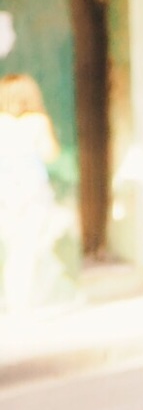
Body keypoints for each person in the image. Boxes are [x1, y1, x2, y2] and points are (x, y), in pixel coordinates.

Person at [0, 73, 68, 313]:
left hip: (4, 194)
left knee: (9, 249)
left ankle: (11, 297)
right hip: (32, 192)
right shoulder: (37, 122)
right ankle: (22, 302)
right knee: (26, 249)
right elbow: (51, 153)